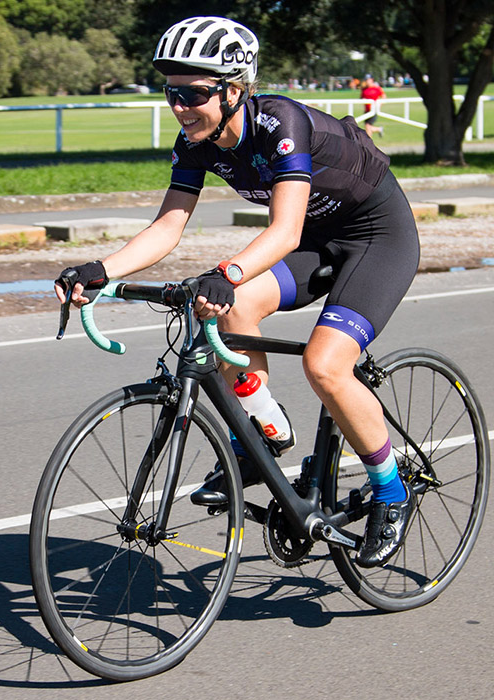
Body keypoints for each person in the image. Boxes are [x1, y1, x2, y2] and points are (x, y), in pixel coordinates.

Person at [54, 16, 419, 568]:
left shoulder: (280, 123)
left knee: (325, 365)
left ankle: (392, 491)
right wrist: (99, 270)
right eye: (172, 92)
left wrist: (226, 271)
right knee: (235, 307)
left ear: (234, 88)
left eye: (194, 93)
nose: (180, 106)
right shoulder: (195, 141)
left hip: (375, 236)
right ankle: (267, 433)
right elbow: (167, 227)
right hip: (315, 238)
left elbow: (285, 230)